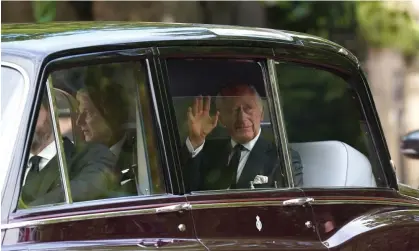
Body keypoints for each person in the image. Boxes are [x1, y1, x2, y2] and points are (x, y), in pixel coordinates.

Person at [181, 83, 303, 191]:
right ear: (221, 119)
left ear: (261, 114)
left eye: (248, 109)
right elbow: (185, 191)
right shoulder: (208, 152)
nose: (242, 118)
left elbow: (291, 208)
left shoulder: (283, 158)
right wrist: (195, 140)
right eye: (233, 110)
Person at [20, 95, 120, 207]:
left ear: (51, 111)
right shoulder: (7, 167)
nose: (20, 120)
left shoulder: (91, 155)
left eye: (28, 110)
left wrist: (25, 211)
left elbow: (89, 187)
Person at [75, 66, 137, 195]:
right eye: (79, 113)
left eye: (87, 113)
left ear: (111, 116)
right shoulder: (79, 157)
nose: (79, 122)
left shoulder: (139, 154)